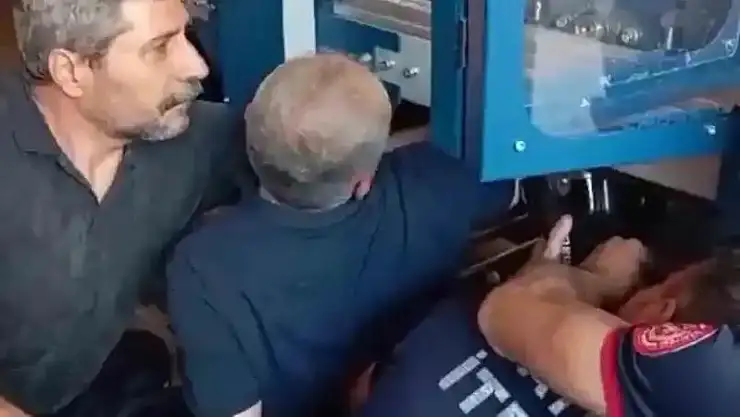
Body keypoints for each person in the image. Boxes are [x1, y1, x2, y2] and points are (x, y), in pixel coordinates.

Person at [167, 53, 516, 417]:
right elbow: (508, 178)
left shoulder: (203, 266)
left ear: (250, 146)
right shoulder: (432, 182)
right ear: (362, 182)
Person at [0, 0, 250, 416]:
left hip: (85, 379)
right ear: (72, 72)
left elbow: (294, 146)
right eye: (160, 47)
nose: (197, 66)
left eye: (187, 35)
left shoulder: (193, 140)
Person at [356, 222, 709, 417]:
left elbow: (364, 389)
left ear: (661, 313)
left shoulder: (462, 319)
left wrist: (580, 279)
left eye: (661, 284)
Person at [478, 215, 737, 417]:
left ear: (660, 313)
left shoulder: (707, 366)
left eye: (657, 284)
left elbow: (500, 311)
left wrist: (599, 279)